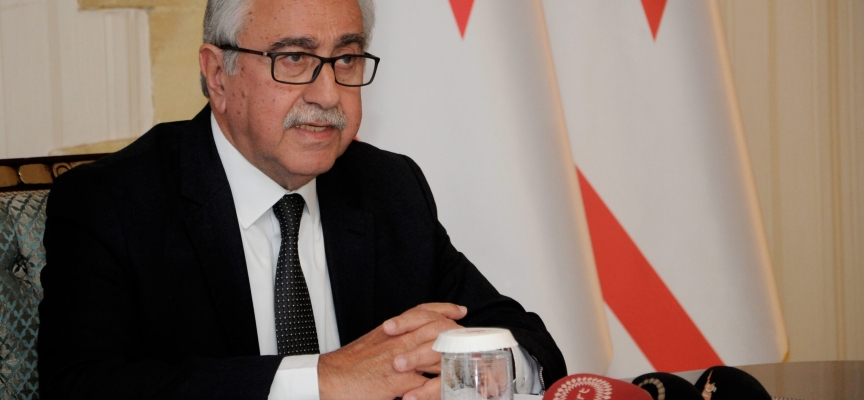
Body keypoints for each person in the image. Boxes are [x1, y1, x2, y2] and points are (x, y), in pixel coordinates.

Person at [36, 0, 567, 399]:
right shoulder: (112, 202)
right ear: (218, 75)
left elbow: (528, 343)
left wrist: (473, 374)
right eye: (293, 58)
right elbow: (81, 386)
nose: (328, 94)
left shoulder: (387, 187)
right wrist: (321, 380)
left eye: (347, 59)